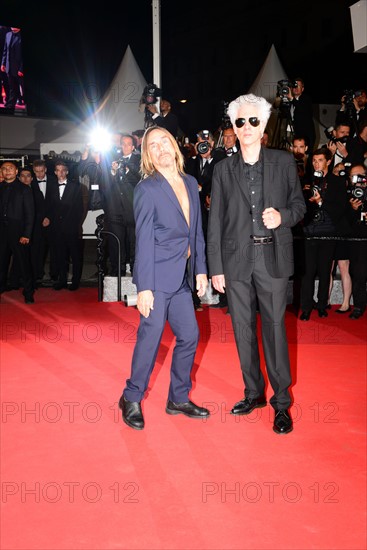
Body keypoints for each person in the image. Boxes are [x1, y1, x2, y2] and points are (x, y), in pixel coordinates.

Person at [207, 94, 306, 435]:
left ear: (264, 125)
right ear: (233, 127)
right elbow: (215, 221)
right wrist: (215, 266)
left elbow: (299, 206)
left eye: (252, 121)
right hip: (235, 263)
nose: (246, 127)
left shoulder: (283, 162)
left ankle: (281, 403)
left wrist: (283, 216)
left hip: (272, 259)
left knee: (275, 331)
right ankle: (253, 393)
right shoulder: (221, 169)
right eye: (239, 122)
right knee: (243, 332)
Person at [118, 126, 209, 430]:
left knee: (190, 336)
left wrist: (200, 269)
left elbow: (195, 231)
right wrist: (143, 287)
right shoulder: (147, 189)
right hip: (156, 278)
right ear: (148, 155)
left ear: (174, 146)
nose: (160, 149)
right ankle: (131, 397)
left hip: (181, 279)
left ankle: (178, 397)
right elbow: (142, 240)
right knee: (151, 337)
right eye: (152, 146)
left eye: (163, 142)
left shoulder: (190, 182)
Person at [300, 149, 350, 320]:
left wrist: (321, 201)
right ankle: (305, 307)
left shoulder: (337, 182)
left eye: (320, 160)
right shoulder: (307, 180)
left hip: (328, 232)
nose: (316, 164)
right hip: (310, 232)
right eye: (314, 160)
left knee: (324, 271)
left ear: (328, 161)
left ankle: (322, 305)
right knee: (307, 272)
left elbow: (340, 207)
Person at [102, 134, 141, 276]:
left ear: (133, 147)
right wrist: (112, 172)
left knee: (134, 243)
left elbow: (140, 179)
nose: (124, 146)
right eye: (122, 144)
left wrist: (127, 170)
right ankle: (117, 271)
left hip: (133, 209)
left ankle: (136, 270)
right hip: (115, 210)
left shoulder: (139, 161)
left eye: (127, 144)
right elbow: (104, 184)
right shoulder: (113, 160)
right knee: (116, 242)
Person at [0, 161, 35, 303]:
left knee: (23, 263)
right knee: (1, 263)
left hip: (18, 231)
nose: (7, 170)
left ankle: (28, 292)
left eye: (10, 168)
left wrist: (26, 234)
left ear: (16, 172)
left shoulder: (24, 189)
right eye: (4, 168)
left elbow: (30, 214)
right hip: (1, 231)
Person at [48, 160, 84, 291]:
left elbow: (80, 209)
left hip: (71, 227)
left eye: (63, 170)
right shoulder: (51, 187)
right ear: (55, 172)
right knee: (60, 255)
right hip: (57, 228)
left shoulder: (76, 187)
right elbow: (50, 207)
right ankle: (62, 280)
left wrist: (75, 225)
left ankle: (75, 281)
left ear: (67, 171)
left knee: (75, 256)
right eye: (58, 170)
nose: (61, 173)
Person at [346, 164, 367, 320]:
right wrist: (352, 209)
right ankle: (359, 306)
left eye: (359, 176)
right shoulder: (347, 194)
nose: (356, 180)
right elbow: (344, 221)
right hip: (357, 241)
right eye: (353, 176)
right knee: (358, 275)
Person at [288, 77, 316, 154]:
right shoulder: (290, 101)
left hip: (306, 135)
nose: (296, 88)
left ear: (302, 89)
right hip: (294, 133)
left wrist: (291, 99)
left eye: (299, 86)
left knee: (306, 158)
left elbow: (302, 109)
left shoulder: (306, 99)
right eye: (294, 86)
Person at [0, 27, 24, 113]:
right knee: (12, 87)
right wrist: (3, 63)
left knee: (22, 86)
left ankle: (21, 100)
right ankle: (11, 105)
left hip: (19, 68)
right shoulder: (8, 34)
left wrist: (21, 68)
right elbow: (5, 50)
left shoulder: (21, 36)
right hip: (9, 66)